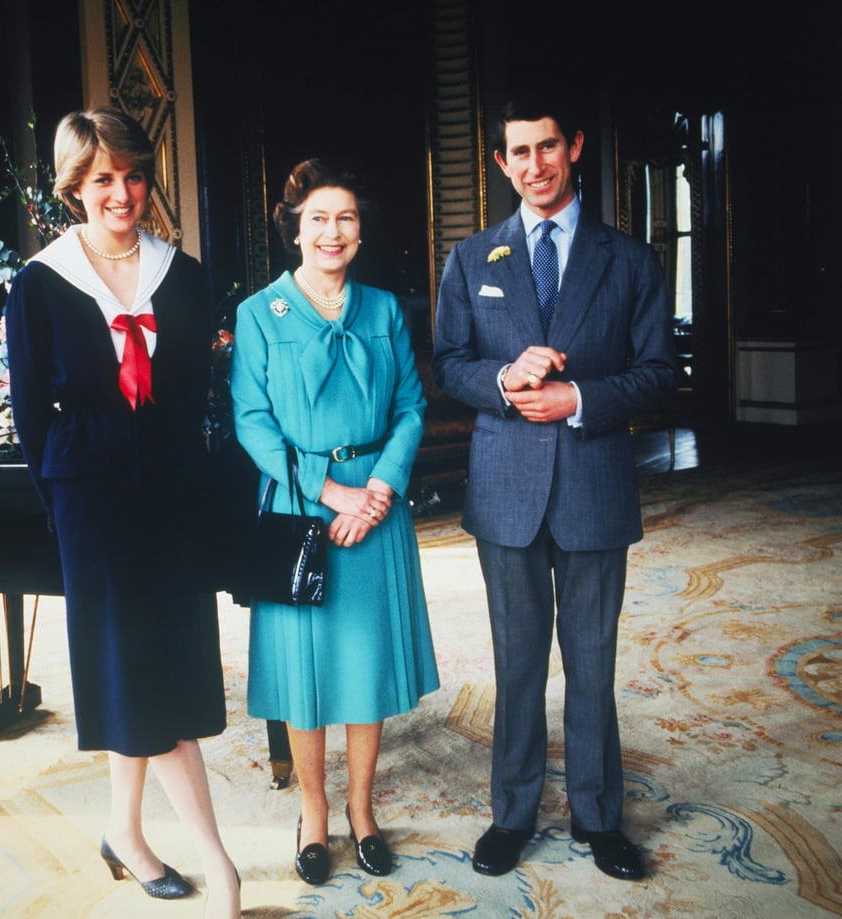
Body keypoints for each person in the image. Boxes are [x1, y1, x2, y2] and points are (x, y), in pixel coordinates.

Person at [432, 92, 679, 882]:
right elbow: (448, 364)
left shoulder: (632, 259)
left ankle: (599, 817)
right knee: (516, 661)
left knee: (593, 659)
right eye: (518, 153)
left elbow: (658, 371)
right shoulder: (473, 259)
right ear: (501, 163)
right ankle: (513, 812)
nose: (534, 166)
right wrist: (505, 378)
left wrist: (579, 399)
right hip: (505, 487)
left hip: (595, 485)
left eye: (548, 147)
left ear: (572, 147)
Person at [5, 107, 240, 919]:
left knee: (158, 669)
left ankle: (123, 834)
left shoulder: (186, 274)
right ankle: (219, 865)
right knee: (132, 669)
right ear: (76, 187)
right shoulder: (39, 284)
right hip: (91, 501)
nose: (122, 192)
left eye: (133, 174)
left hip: (173, 498)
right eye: (102, 177)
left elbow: (195, 401)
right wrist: (65, 507)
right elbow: (34, 417)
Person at [230, 158, 439, 885]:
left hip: (377, 504)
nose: (332, 231)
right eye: (317, 217)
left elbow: (413, 405)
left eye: (345, 217)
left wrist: (378, 486)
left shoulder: (383, 309)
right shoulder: (259, 313)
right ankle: (314, 812)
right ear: (294, 228)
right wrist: (331, 491)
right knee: (305, 673)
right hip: (299, 508)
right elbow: (252, 424)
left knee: (365, 664)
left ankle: (363, 809)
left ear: (359, 231)